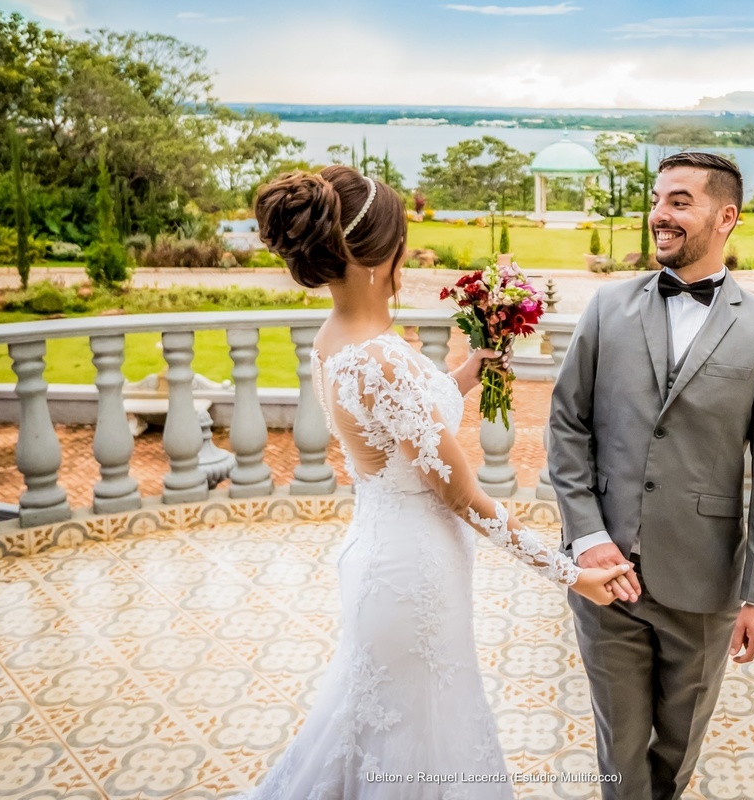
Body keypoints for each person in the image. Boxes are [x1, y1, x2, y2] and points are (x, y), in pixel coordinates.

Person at [236, 166, 629, 800]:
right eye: (402, 242)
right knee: (415, 742)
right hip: (413, 576)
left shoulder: (338, 340)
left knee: (378, 730)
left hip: (383, 556)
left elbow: (400, 428)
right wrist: (572, 575)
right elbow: (462, 496)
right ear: (379, 255)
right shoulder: (384, 358)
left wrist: (465, 373)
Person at [548, 151, 754, 800]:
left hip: (705, 585)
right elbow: (567, 427)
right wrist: (586, 537)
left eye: (679, 201)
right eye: (658, 199)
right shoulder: (607, 309)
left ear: (727, 216)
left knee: (677, 754)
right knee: (620, 755)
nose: (659, 214)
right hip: (608, 579)